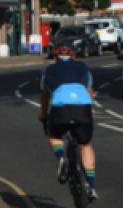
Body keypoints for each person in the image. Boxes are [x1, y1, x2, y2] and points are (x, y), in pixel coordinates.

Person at [39, 45, 98, 202]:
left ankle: (61, 158)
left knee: (54, 135)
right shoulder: (84, 67)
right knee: (85, 145)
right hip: (83, 109)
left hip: (61, 110)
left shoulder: (47, 71)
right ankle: (91, 187)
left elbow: (44, 96)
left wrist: (43, 115)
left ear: (55, 58)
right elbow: (89, 91)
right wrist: (90, 109)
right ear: (74, 57)